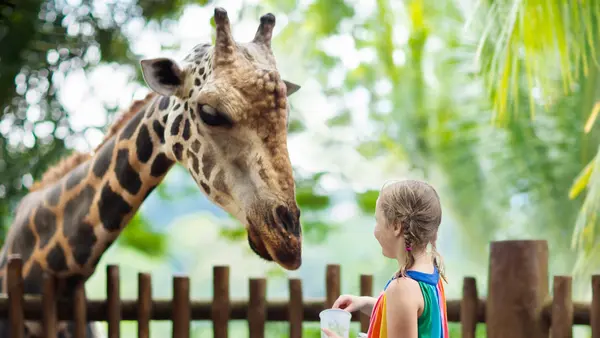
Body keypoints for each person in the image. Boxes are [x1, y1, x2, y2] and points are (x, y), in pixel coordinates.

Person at [322, 179, 449, 338]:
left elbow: (403, 308)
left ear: (396, 226)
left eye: (377, 221)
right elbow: (404, 316)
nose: (375, 230)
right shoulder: (430, 272)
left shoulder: (402, 289)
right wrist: (365, 303)